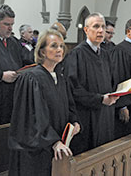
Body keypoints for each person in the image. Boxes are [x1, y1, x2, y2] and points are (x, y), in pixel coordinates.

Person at [8, 29, 80, 176]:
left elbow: (70, 106)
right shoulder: (30, 78)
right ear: (42, 52)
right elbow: (31, 118)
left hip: (57, 147)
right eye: (54, 46)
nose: (59, 50)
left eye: (61, 46)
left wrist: (75, 121)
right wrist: (53, 141)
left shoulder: (61, 78)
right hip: (36, 151)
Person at [63, 13, 119, 155]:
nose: (101, 30)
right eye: (96, 26)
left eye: (103, 27)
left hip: (105, 115)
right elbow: (73, 89)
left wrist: (115, 94)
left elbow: (111, 81)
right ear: (86, 30)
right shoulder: (76, 54)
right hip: (86, 117)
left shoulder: (106, 54)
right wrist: (100, 99)